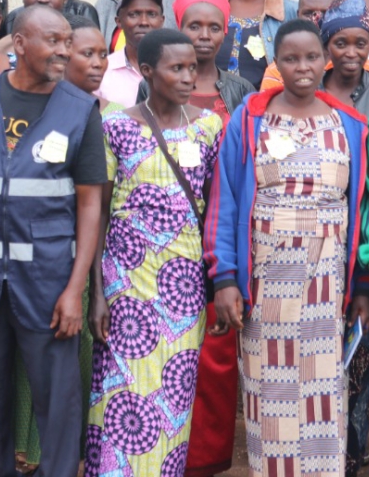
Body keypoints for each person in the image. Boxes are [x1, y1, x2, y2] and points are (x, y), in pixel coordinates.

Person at [207, 19, 369, 477]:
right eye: (291, 59)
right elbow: (226, 199)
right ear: (277, 63)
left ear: (324, 60)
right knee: (271, 403)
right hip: (265, 291)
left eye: (311, 57)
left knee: (323, 401)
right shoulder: (251, 116)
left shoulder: (351, 124)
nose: (302, 67)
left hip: (326, 291)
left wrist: (362, 286)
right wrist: (224, 277)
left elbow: (360, 209)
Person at [0, 4, 106, 477]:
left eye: (67, 42)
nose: (65, 51)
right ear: (19, 44)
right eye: (54, 41)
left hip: (49, 282)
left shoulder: (80, 109)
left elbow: (89, 205)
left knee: (57, 408)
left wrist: (75, 288)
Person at [86, 29, 222, 477]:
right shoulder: (115, 125)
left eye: (191, 68)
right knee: (119, 399)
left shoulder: (209, 126)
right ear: (147, 71)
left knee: (172, 401)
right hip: (126, 287)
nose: (188, 76)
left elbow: (216, 207)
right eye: (176, 68)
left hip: (182, 292)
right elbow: (98, 214)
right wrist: (98, 294)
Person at [136, 0, 253, 476]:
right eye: (193, 26)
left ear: (226, 32)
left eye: (214, 27)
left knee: (217, 358)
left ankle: (205, 460)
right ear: (177, 27)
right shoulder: (151, 89)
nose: (204, 36)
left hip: (220, 239)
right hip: (163, 251)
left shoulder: (240, 89)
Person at [11, 15, 122, 470]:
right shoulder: (35, 110)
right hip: (32, 264)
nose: (97, 63)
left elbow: (99, 207)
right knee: (24, 375)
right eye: (85, 53)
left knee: (66, 378)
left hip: (83, 269)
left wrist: (90, 285)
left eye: (102, 54)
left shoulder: (111, 115)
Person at [317, 0, 369, 476]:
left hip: (365, 247)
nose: (351, 51)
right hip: (317, 244)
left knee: (360, 365)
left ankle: (353, 455)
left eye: (361, 41)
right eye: (341, 42)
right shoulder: (307, 92)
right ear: (327, 46)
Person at [259, 0, 369, 91]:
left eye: (325, 12)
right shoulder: (279, 70)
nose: (316, 19)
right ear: (298, 15)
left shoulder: (358, 65)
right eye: (308, 13)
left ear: (339, 16)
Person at [97, 0, 165, 105]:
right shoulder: (101, 71)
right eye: (134, 14)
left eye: (151, 14)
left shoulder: (177, 70)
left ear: (162, 21)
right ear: (119, 21)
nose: (144, 22)